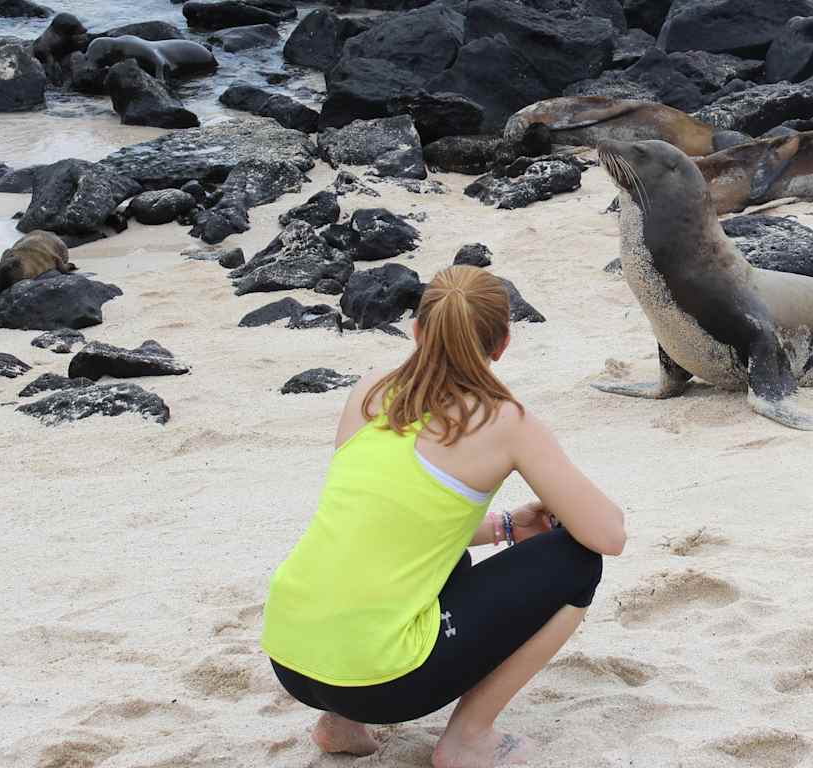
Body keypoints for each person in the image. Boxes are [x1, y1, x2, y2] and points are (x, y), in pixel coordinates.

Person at [261, 265, 626, 767]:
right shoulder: (503, 419)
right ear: (501, 345)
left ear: (416, 331)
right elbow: (607, 534)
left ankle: (338, 725)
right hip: (379, 684)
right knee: (577, 561)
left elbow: (385, 524)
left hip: (291, 658)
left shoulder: (370, 391)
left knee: (419, 557)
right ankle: (469, 738)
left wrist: (507, 527)